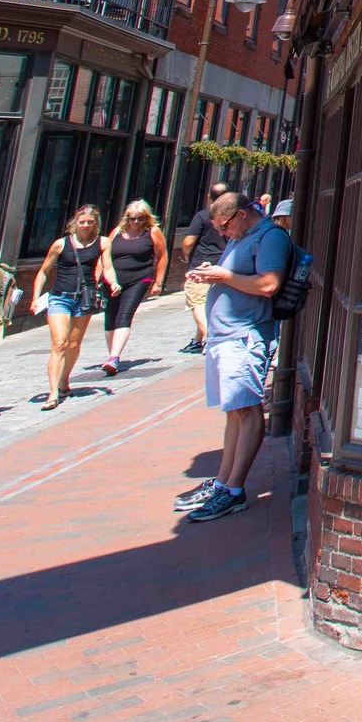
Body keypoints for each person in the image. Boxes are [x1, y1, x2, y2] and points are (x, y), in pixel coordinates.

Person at [178, 190, 287, 523]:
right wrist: (215, 272)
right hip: (226, 336)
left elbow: (269, 284)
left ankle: (234, 490)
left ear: (241, 214)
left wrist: (223, 276)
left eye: (225, 226)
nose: (223, 233)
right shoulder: (242, 237)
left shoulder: (269, 237)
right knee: (235, 412)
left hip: (246, 336)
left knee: (247, 410)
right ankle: (223, 481)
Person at [28, 205, 107, 409]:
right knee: (59, 342)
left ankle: (64, 381)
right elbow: (44, 271)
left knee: (73, 344)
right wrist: (35, 296)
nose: (86, 226)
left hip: (84, 298)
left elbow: (108, 267)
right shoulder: (60, 244)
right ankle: (53, 392)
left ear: (95, 223)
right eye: (82, 222)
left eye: (90, 222)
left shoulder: (102, 243)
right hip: (59, 297)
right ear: (75, 223)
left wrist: (113, 282)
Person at [100, 200, 166, 375]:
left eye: (141, 218)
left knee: (125, 314)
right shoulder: (116, 233)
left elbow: (162, 256)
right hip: (113, 280)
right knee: (110, 318)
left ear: (147, 218)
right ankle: (112, 355)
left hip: (139, 279)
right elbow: (104, 256)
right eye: (133, 218)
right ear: (127, 218)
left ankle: (114, 357)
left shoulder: (152, 232)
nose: (136, 222)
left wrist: (158, 281)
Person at [175, 191, 226, 357]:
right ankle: (197, 340)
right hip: (223, 264)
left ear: (208, 196)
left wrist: (187, 258)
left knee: (196, 302)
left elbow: (189, 241)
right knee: (209, 303)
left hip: (201, 265)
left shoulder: (203, 216)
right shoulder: (231, 217)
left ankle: (209, 338)